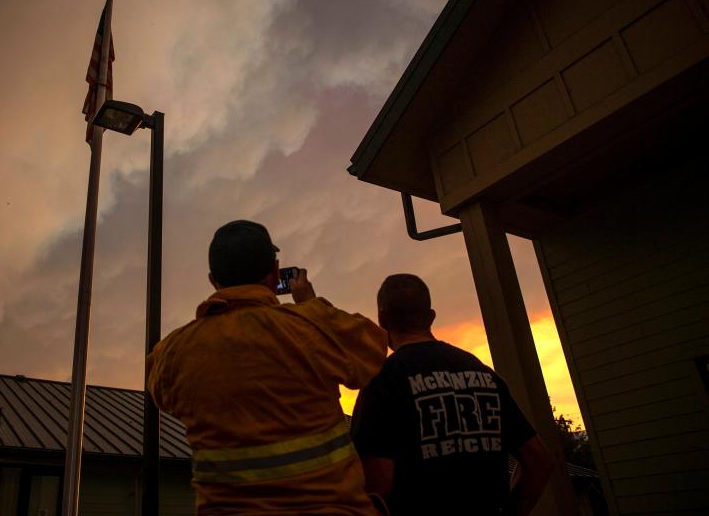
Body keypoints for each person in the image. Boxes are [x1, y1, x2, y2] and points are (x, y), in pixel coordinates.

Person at [147, 220, 388, 515]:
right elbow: (373, 349)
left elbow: (162, 394)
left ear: (213, 281)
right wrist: (311, 304)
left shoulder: (172, 354)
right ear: (275, 274)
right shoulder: (311, 325)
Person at [350, 274, 554, 515]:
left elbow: (378, 484)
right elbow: (539, 460)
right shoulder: (483, 373)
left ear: (382, 320)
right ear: (431, 317)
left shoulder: (381, 380)